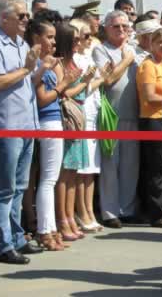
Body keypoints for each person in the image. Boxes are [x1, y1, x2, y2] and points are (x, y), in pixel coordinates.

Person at [0, 0, 47, 264]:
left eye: (27, 15)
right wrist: (27, 69)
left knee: (19, 186)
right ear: (4, 17)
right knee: (4, 188)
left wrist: (40, 68)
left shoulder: (21, 43)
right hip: (6, 125)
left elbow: (26, 81)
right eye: (21, 15)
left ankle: (17, 238)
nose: (26, 20)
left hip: (27, 122)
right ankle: (3, 244)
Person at [26, 19, 79, 251]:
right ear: (36, 38)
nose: (53, 42)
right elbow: (42, 99)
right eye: (49, 37)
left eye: (54, 37)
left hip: (53, 120)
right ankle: (45, 230)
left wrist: (63, 80)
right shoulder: (36, 63)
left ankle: (49, 229)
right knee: (48, 180)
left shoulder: (47, 62)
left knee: (49, 179)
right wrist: (63, 84)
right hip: (46, 122)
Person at [93, 10, 139, 229]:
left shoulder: (133, 48)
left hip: (133, 113)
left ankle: (126, 209)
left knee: (130, 166)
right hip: (110, 115)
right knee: (110, 165)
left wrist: (129, 56)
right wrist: (126, 60)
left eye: (124, 26)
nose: (121, 30)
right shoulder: (101, 50)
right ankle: (110, 211)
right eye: (116, 26)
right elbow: (108, 79)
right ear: (106, 28)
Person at [70, 19, 111, 233]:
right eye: (85, 36)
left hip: (93, 113)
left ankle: (89, 211)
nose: (89, 39)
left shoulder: (87, 56)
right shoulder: (74, 59)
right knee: (82, 169)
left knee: (92, 169)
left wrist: (100, 77)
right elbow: (83, 88)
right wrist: (101, 79)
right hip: (81, 113)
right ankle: (81, 211)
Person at [55, 23, 95, 241]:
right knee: (65, 173)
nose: (79, 42)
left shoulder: (73, 61)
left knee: (73, 172)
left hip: (78, 115)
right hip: (68, 118)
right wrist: (84, 82)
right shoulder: (60, 63)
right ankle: (62, 219)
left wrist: (89, 80)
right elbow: (65, 93)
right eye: (75, 39)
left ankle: (70, 216)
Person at [136, 27, 162, 227]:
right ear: (151, 44)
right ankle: (155, 212)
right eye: (160, 42)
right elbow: (149, 96)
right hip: (152, 120)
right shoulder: (148, 66)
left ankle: (160, 207)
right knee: (156, 169)